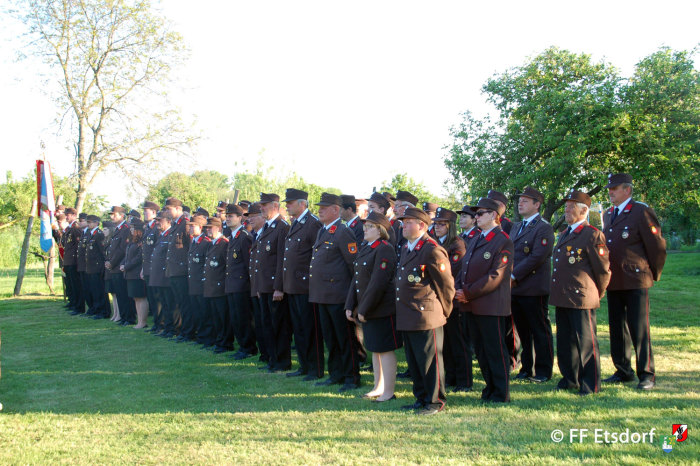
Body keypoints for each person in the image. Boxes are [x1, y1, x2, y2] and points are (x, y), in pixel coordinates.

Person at [602, 173, 666, 390]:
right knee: (617, 328)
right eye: (610, 188)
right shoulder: (608, 214)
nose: (610, 192)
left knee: (639, 329)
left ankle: (646, 374)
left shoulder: (640, 211)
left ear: (627, 190)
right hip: (615, 280)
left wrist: (652, 273)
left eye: (615, 188)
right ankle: (623, 370)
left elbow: (656, 246)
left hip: (636, 279)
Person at [550, 189, 611, 395]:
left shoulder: (592, 234)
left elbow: (602, 270)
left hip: (581, 296)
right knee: (566, 341)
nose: (566, 211)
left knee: (586, 342)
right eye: (566, 207)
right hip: (563, 295)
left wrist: (596, 292)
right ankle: (570, 378)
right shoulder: (565, 233)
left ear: (583, 210)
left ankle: (591, 383)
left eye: (571, 207)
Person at [395, 207, 455, 414]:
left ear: (421, 225)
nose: (403, 225)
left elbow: (446, 286)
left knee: (430, 362)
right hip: (408, 314)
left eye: (408, 221)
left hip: (426, 315)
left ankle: (435, 401)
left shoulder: (431, 249)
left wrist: (443, 312)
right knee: (415, 361)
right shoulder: (407, 247)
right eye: (403, 221)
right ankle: (421, 398)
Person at [455, 198, 514, 403]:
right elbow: (465, 267)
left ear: (494, 216)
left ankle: (500, 392)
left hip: (491, 305)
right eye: (476, 214)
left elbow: (496, 275)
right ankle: (490, 388)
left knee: (494, 350)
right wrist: (458, 289)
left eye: (480, 214)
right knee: (481, 350)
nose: (476, 217)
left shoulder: (502, 240)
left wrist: (467, 292)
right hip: (472, 305)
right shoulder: (478, 238)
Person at [345, 211, 401, 402]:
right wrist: (350, 304)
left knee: (384, 349)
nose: (365, 229)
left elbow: (378, 283)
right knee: (375, 349)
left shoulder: (384, 249)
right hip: (367, 308)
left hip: (381, 308)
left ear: (380, 230)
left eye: (370, 226)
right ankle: (378, 386)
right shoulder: (367, 247)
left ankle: (389, 391)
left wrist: (363, 309)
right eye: (365, 225)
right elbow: (357, 278)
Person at [309, 192, 361, 392]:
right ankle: (336, 374)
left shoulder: (343, 231)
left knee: (345, 339)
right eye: (319, 207)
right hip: (322, 295)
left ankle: (351, 377)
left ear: (335, 210)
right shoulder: (323, 231)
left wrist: (352, 298)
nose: (319, 210)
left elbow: (353, 266)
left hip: (339, 296)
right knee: (331, 338)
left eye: (324, 207)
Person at [510, 187, 555, 383]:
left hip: (533, 286)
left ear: (537, 205)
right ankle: (527, 367)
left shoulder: (543, 227)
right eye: (520, 200)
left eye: (526, 201)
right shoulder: (516, 226)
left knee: (539, 329)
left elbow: (538, 256)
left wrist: (513, 274)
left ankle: (543, 370)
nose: (520, 203)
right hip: (516, 287)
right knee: (523, 330)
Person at [282, 189, 324, 379]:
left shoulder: (312, 224)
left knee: (310, 328)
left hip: (306, 286)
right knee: (298, 328)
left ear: (302, 204)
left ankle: (315, 368)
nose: (287, 206)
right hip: (293, 285)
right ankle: (304, 365)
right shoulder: (296, 223)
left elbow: (318, 255)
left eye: (290, 203)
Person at [433, 207, 471, 393]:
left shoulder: (457, 244)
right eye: (436, 223)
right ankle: (451, 376)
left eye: (442, 224)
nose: (437, 227)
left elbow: (453, 272)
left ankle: (464, 380)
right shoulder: (434, 243)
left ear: (450, 226)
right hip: (439, 299)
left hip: (452, 299)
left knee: (458, 340)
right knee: (445, 341)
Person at [254, 193, 292, 371]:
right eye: (261, 205)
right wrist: (261, 286)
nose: (261, 207)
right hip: (265, 286)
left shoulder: (282, 227)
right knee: (267, 324)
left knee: (279, 326)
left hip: (275, 287)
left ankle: (282, 361)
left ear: (275, 206)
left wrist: (279, 287)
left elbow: (281, 261)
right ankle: (272, 359)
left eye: (265, 205)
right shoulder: (268, 227)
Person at [224, 204, 257, 360]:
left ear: (240, 217)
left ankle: (249, 347)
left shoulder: (244, 237)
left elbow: (248, 263)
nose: (228, 218)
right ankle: (243, 346)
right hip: (232, 284)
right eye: (227, 216)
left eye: (231, 216)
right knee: (236, 317)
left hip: (242, 285)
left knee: (244, 318)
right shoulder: (233, 237)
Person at [246, 203, 270, 365]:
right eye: (248, 217)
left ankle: (269, 354)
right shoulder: (255, 235)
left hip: (265, 286)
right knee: (260, 323)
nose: (250, 219)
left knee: (266, 322)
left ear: (262, 217)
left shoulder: (266, 233)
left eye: (254, 216)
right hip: (255, 285)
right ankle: (264, 354)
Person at [202, 217, 230, 353]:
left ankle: (225, 343)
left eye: (210, 227)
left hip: (220, 287)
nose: (207, 230)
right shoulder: (212, 244)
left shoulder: (224, 244)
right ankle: (219, 341)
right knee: (216, 317)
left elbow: (226, 267)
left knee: (223, 318)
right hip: (211, 287)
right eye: (206, 228)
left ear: (219, 228)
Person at [165, 198, 191, 338]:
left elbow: (190, 247)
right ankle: (180, 329)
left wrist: (186, 267)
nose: (167, 212)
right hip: (174, 270)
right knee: (178, 303)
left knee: (185, 303)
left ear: (178, 209)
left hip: (182, 271)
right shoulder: (175, 225)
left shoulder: (185, 224)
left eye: (169, 209)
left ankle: (188, 332)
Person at [106, 206, 134, 325]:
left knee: (124, 294)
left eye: (114, 214)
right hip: (114, 267)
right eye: (111, 214)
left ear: (122, 215)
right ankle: (123, 317)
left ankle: (129, 317)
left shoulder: (125, 228)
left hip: (120, 266)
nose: (112, 217)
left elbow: (122, 250)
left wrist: (112, 262)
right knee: (119, 294)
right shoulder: (118, 229)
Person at [187, 214, 213, 346]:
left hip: (201, 283)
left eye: (193, 226)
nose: (190, 228)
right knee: (197, 311)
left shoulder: (206, 242)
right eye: (190, 226)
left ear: (200, 227)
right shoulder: (194, 241)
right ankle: (201, 336)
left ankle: (207, 337)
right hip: (193, 283)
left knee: (204, 312)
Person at [149, 211, 175, 338]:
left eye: (160, 220)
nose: (157, 223)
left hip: (165, 276)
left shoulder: (171, 235)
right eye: (156, 220)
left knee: (169, 304)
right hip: (158, 276)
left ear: (169, 221)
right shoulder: (161, 235)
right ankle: (164, 326)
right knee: (163, 303)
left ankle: (171, 328)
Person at [121, 219, 149, 328]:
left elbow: (138, 258)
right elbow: (127, 255)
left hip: (137, 273)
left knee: (141, 297)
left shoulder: (141, 241)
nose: (131, 230)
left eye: (133, 228)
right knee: (135, 298)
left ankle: (143, 322)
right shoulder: (132, 241)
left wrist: (126, 266)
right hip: (130, 273)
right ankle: (139, 320)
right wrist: (122, 264)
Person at [141, 201, 161, 333]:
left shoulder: (156, 228)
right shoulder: (148, 228)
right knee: (151, 298)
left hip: (155, 269)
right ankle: (156, 323)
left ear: (154, 212)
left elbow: (157, 249)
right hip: (147, 267)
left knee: (157, 298)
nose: (144, 213)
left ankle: (161, 323)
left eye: (146, 211)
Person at [84, 215, 109, 319]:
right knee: (94, 290)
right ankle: (97, 309)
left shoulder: (98, 234)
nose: (88, 224)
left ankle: (103, 311)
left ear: (96, 223)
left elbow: (102, 252)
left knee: (100, 291)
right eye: (88, 222)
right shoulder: (90, 234)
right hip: (91, 267)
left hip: (97, 267)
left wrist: (102, 266)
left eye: (90, 222)